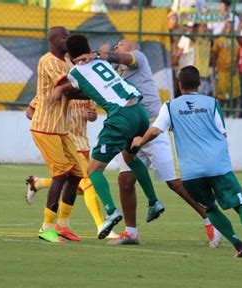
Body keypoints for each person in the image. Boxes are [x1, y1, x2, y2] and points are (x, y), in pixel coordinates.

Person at [75, 39, 222, 247]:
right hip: (131, 129)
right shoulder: (119, 76)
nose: (117, 48)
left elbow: (123, 58)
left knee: (175, 183)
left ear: (132, 48)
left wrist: (98, 55)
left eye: (121, 45)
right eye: (116, 46)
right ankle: (131, 232)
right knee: (125, 181)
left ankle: (212, 221)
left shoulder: (138, 59)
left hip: (153, 128)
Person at [131, 66, 242, 259]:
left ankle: (239, 245)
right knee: (241, 203)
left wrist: (140, 141)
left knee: (210, 208)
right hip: (217, 165)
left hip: (191, 171)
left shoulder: (169, 106)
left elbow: (156, 130)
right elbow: (223, 133)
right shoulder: (212, 103)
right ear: (199, 84)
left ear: (179, 84)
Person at [49, 34, 162, 240]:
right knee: (130, 157)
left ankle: (111, 212)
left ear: (70, 56)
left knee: (92, 170)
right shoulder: (101, 61)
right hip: (139, 111)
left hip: (120, 116)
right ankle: (154, 201)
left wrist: (58, 90)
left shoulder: (76, 70)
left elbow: (72, 88)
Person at [26, 98, 119, 239]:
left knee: (76, 186)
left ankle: (38, 184)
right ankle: (101, 226)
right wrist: (48, 123)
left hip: (83, 145)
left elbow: (92, 114)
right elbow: (30, 112)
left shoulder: (85, 89)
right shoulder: (54, 87)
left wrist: (91, 116)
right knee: (89, 184)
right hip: (66, 144)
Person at [29, 26, 83, 243]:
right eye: (64, 36)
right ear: (52, 39)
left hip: (61, 129)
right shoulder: (49, 61)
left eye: (69, 36)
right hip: (46, 127)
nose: (68, 39)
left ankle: (63, 225)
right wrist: (96, 90)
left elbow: (72, 88)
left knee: (77, 173)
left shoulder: (67, 61)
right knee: (60, 174)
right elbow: (68, 88)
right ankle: (46, 228)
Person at [211, 21, 241, 110]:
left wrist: (236, 67)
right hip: (221, 70)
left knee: (235, 95)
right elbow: (214, 55)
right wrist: (214, 68)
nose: (229, 30)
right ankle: (220, 113)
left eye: (231, 28)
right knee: (220, 95)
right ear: (224, 28)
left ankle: (232, 113)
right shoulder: (219, 40)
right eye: (227, 27)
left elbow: (238, 56)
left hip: (233, 71)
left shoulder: (236, 40)